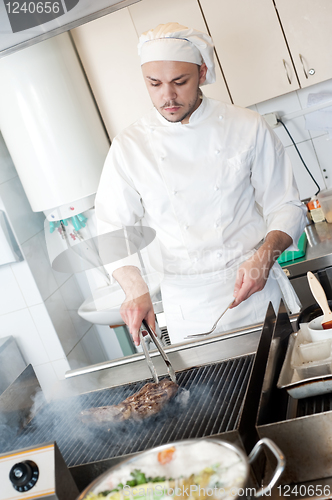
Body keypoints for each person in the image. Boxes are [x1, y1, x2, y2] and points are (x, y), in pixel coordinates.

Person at [95, 22, 307, 346]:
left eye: (180, 82)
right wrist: (134, 288)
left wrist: (264, 257)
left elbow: (286, 205)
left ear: (202, 73)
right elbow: (112, 229)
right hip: (188, 309)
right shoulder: (129, 147)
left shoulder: (247, 127)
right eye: (154, 84)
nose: (167, 97)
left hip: (256, 295)